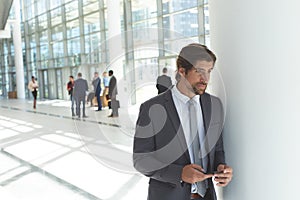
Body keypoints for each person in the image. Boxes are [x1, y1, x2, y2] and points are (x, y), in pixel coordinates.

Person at [133, 43, 233, 200]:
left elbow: (217, 149)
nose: (205, 79)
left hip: (206, 195)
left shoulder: (214, 105)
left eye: (209, 71)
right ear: (182, 71)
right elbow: (141, 160)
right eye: (199, 71)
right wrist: (179, 173)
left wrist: (220, 168)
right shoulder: (152, 108)